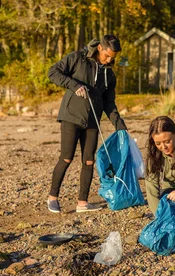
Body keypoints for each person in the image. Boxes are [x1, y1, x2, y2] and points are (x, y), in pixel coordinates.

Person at [46, 35, 127, 213]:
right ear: (100, 48)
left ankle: (82, 203)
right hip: (71, 117)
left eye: (112, 58)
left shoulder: (109, 74)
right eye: (107, 56)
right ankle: (53, 197)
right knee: (66, 157)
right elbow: (53, 72)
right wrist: (74, 85)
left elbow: (109, 103)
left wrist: (120, 126)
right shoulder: (77, 58)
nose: (109, 60)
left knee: (89, 161)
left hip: (92, 122)